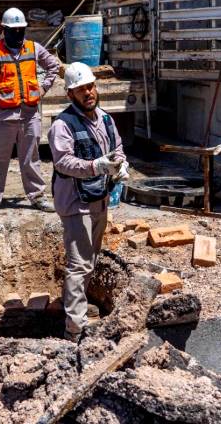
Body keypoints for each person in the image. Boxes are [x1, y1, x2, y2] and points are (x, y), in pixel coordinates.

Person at [48, 62, 130, 341]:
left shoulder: (105, 119)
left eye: (90, 86)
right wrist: (96, 166)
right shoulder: (62, 125)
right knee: (79, 264)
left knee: (90, 259)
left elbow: (117, 148)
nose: (88, 93)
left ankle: (74, 307)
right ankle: (75, 330)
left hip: (98, 199)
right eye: (81, 89)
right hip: (75, 203)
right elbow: (63, 161)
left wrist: (120, 164)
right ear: (70, 94)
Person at [0, 7, 61, 218]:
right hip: (2, 115)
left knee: (31, 158)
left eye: (20, 30)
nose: (17, 33)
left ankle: (37, 196)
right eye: (13, 30)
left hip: (29, 114)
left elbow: (53, 66)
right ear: (4, 30)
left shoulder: (34, 48)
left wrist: (43, 88)